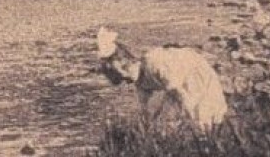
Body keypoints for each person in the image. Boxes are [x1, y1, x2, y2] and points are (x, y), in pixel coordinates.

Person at [95, 26, 229, 131]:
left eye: (125, 71)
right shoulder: (140, 81)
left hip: (194, 72)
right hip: (178, 80)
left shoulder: (154, 64)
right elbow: (145, 111)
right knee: (170, 117)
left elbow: (180, 94)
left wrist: (192, 119)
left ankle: (207, 137)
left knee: (201, 113)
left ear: (130, 61)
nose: (126, 79)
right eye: (124, 79)